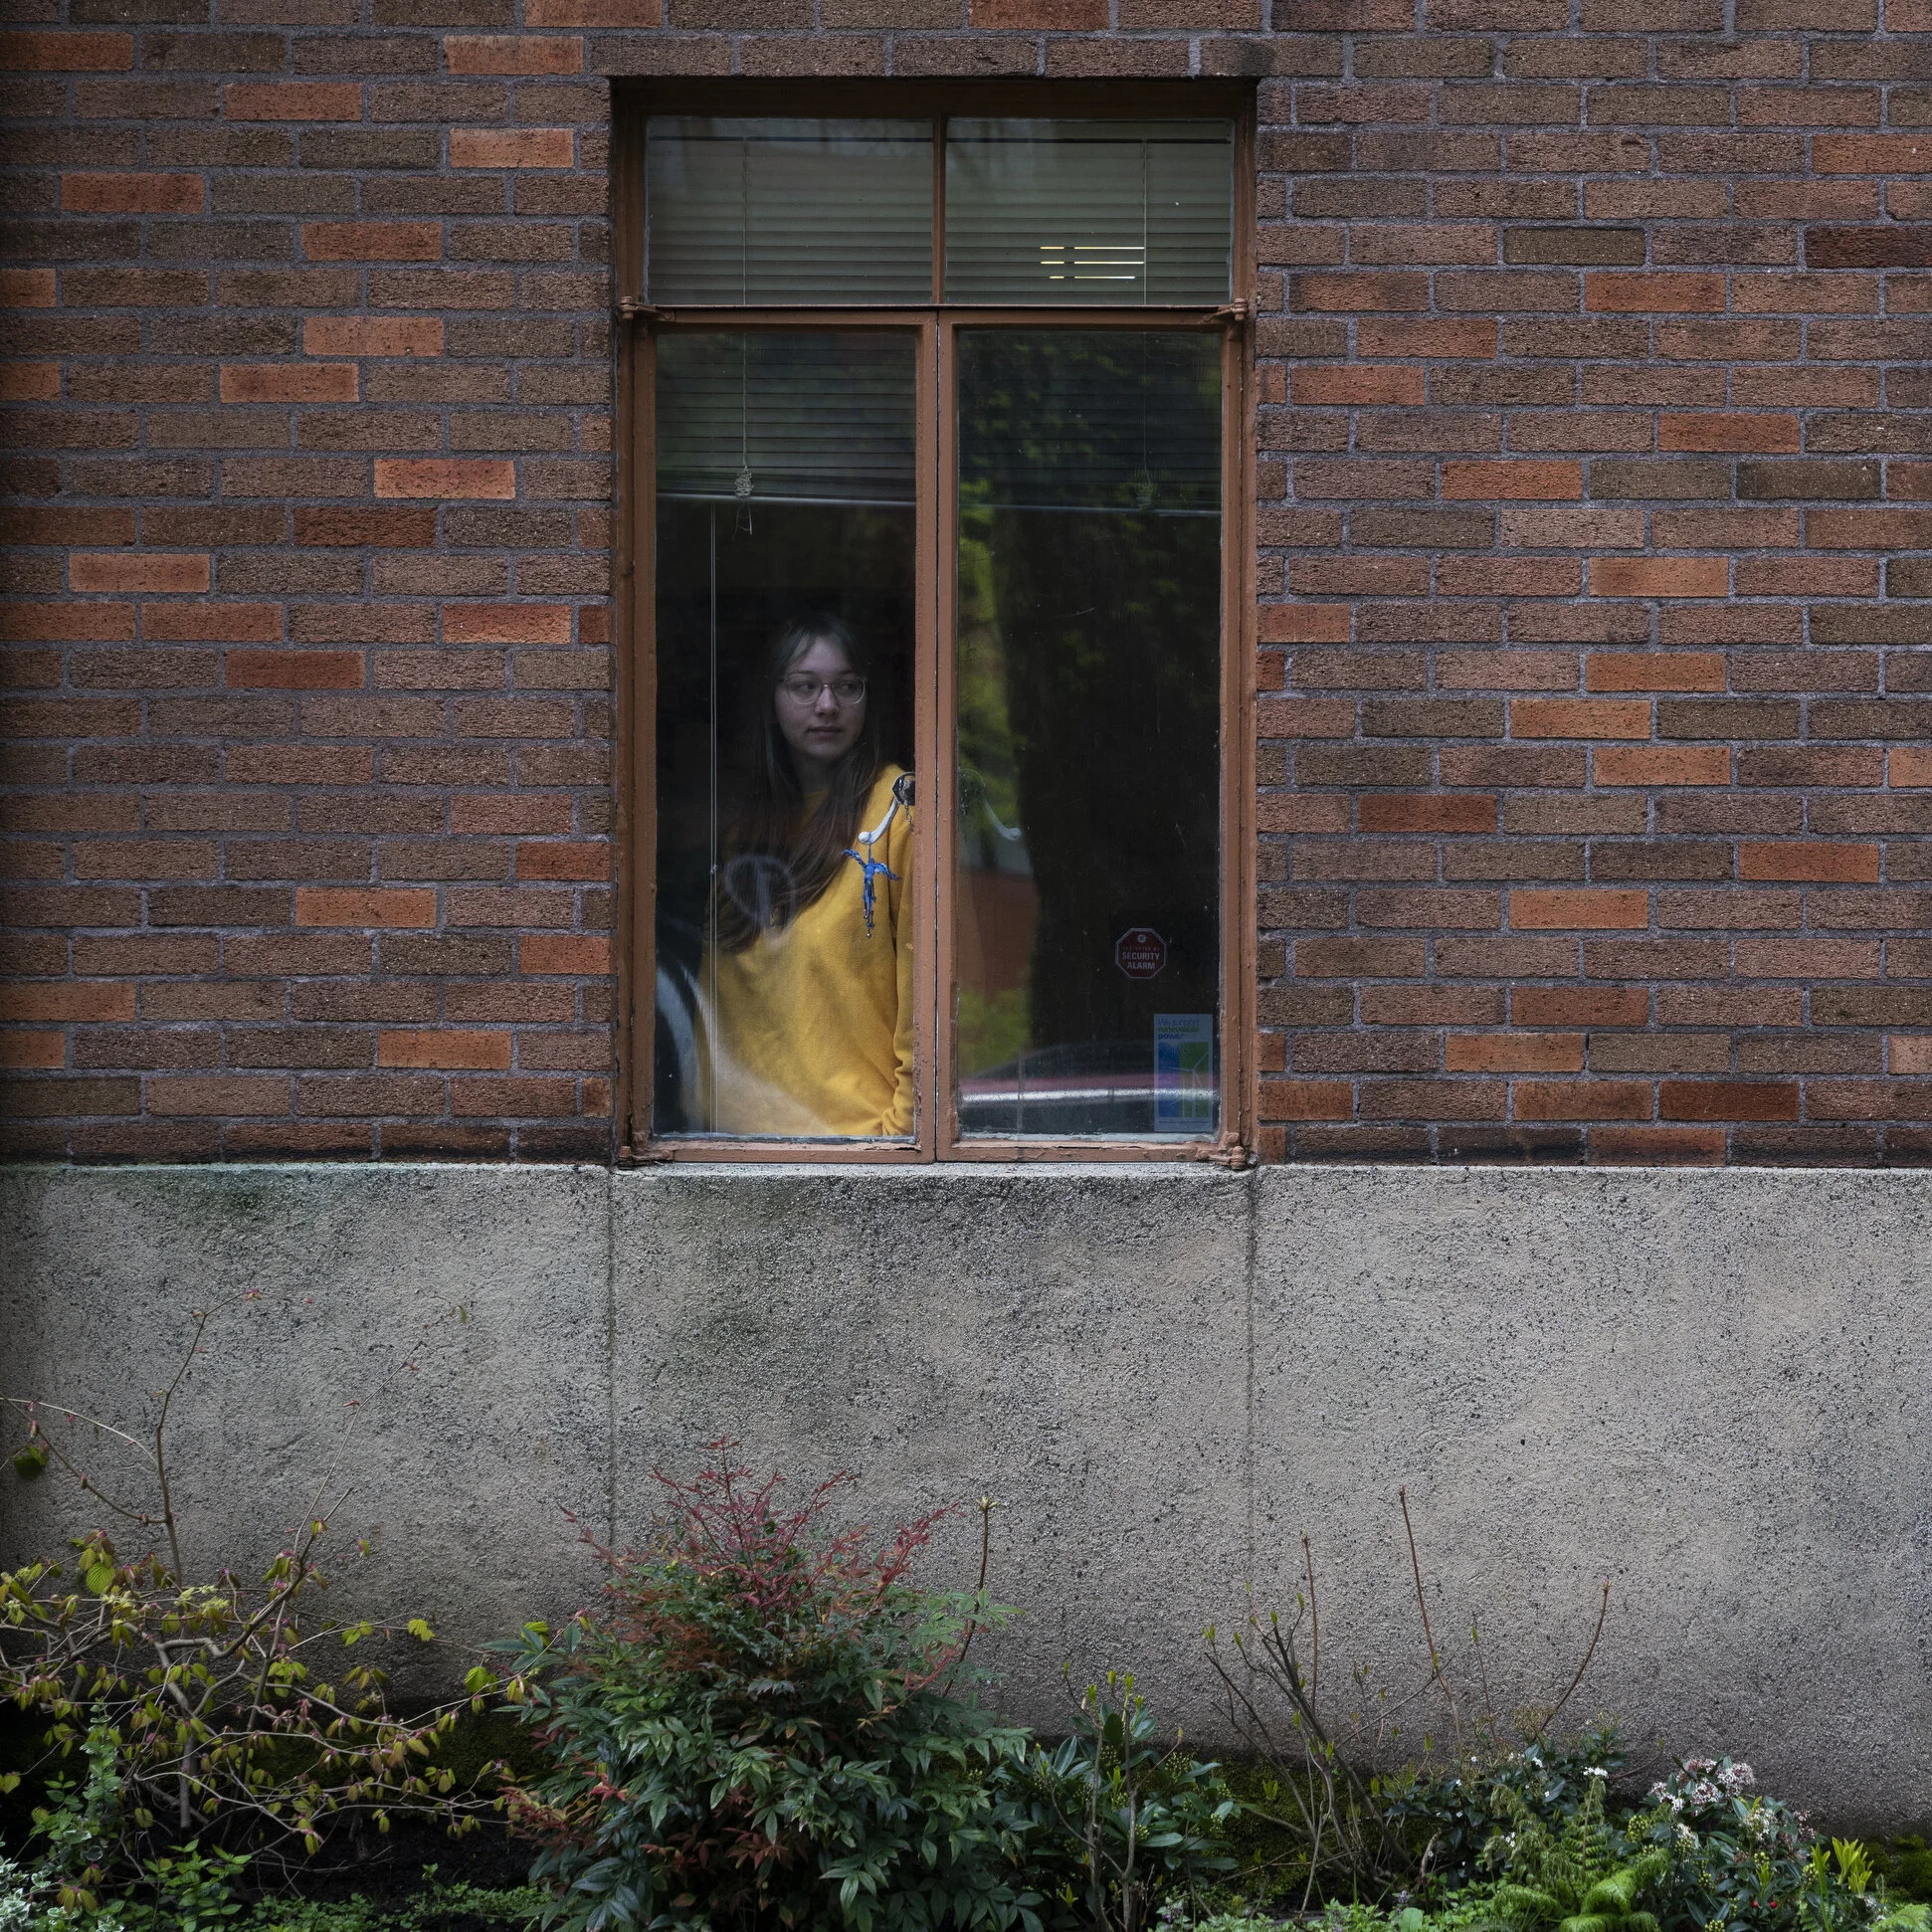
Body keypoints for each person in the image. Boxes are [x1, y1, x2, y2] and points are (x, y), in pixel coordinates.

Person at [703, 612, 914, 1137]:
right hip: (724, 1152)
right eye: (804, 686)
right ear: (771, 699)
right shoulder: (744, 827)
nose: (827, 706)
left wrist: (900, 1139)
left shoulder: (900, 809)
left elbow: (929, 998)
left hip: (856, 1149)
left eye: (847, 687)